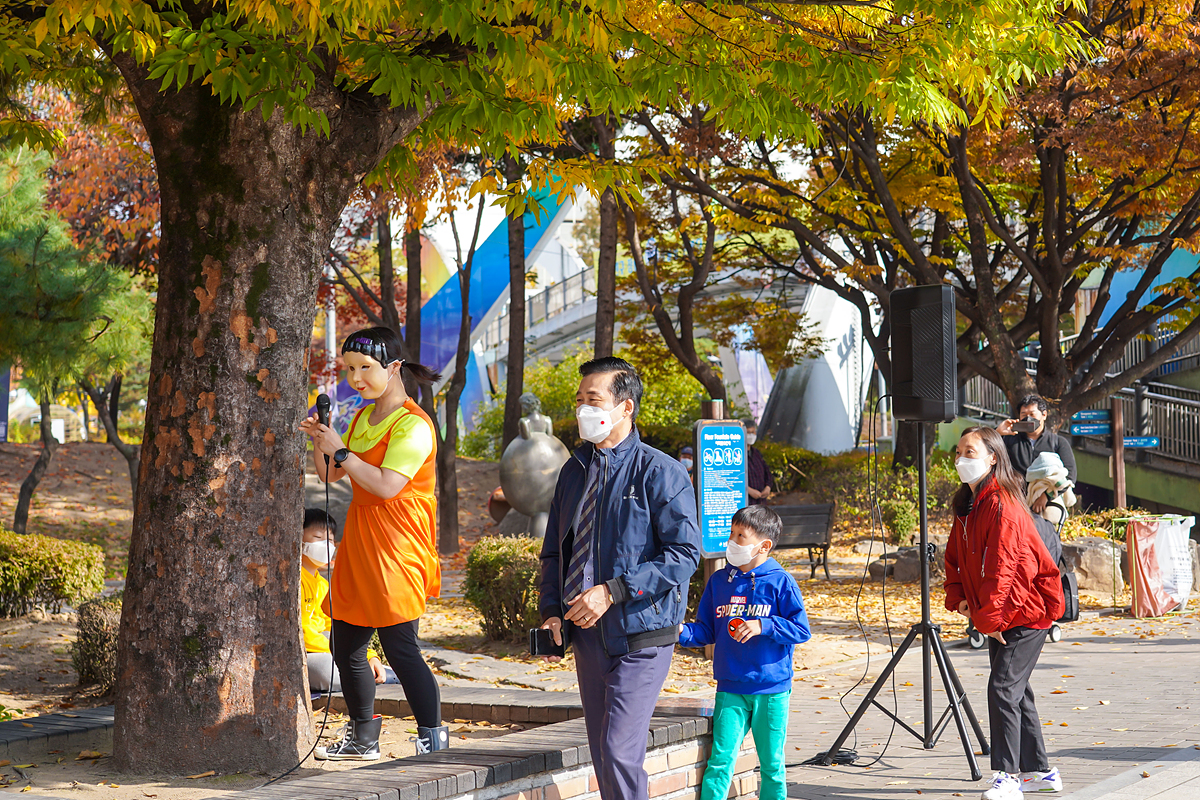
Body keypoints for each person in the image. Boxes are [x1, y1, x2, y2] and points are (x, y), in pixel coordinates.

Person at [538, 356, 701, 800]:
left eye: (593, 400)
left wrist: (612, 592)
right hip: (587, 633)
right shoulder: (573, 471)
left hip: (642, 633)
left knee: (618, 750)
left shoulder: (660, 471)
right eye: (578, 402)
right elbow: (555, 549)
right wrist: (552, 610)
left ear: (625, 406)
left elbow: (685, 554)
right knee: (601, 752)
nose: (581, 411)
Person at [299, 326, 447, 761]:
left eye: (366, 368)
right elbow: (332, 477)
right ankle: (363, 737)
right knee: (346, 645)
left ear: (395, 367)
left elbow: (385, 486)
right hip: (361, 538)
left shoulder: (414, 426)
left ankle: (432, 738)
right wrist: (322, 443)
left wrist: (341, 451)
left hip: (398, 543)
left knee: (401, 647)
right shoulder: (363, 418)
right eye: (349, 370)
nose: (357, 378)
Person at [944, 426, 1066, 800]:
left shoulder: (1002, 502)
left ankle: (1008, 776)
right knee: (1016, 691)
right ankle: (1041, 772)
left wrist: (988, 619)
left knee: (1002, 689)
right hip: (1000, 611)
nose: (961, 458)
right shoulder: (969, 502)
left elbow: (1006, 567)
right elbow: (956, 558)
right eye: (959, 451)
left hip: (1027, 611)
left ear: (993, 457)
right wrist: (961, 598)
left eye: (970, 451)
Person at [678, 505, 810, 800]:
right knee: (719, 763)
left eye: (741, 536)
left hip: (771, 690)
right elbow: (706, 630)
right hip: (730, 688)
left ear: (764, 546)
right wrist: (680, 633)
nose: (732, 542)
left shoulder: (780, 581)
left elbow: (801, 630)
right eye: (732, 533)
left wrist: (763, 625)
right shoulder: (718, 582)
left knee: (772, 766)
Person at [300, 508, 397, 693]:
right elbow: (303, 632)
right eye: (317, 537)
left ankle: (371, 673)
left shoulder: (321, 583)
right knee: (327, 671)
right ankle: (370, 678)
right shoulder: (294, 580)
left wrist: (368, 655)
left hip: (320, 645)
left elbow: (332, 625)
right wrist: (337, 653)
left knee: (347, 653)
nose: (325, 545)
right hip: (304, 650)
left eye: (329, 540)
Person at [997, 395, 1076, 514]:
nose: (1028, 418)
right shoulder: (1008, 440)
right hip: (1014, 502)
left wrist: (1046, 497)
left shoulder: (1058, 443)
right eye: (1024, 415)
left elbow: (1070, 476)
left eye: (1032, 414)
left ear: (1044, 415)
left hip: (1047, 505)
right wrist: (997, 432)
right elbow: (983, 450)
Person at [744, 420, 774, 505]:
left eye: (753, 432)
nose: (751, 435)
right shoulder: (736, 455)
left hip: (760, 503)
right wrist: (748, 490)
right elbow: (731, 478)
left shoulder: (756, 453)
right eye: (748, 433)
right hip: (746, 504)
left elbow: (767, 472)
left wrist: (768, 487)